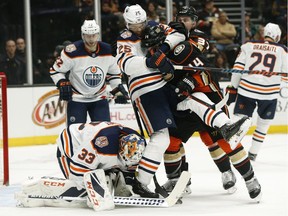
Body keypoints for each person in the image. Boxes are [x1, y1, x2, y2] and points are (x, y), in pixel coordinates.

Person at [141, 6, 261, 201]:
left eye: (187, 19)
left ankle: (249, 179)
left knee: (220, 141)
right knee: (171, 142)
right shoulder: (166, 42)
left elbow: (195, 61)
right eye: (181, 18)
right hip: (183, 101)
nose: (183, 22)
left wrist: (189, 79)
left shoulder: (195, 39)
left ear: (194, 22)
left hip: (207, 95)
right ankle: (177, 180)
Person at [116, 4, 186, 198]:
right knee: (161, 138)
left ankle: (224, 125)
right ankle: (141, 183)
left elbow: (179, 35)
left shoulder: (154, 26)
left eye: (141, 24)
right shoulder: (124, 38)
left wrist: (163, 48)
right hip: (145, 90)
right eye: (134, 25)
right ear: (127, 23)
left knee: (192, 104)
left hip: (166, 84)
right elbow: (125, 64)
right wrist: (149, 61)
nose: (139, 28)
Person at [15, 121, 146, 209]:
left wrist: (128, 184)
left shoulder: (136, 141)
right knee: (77, 187)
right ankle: (37, 186)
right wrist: (92, 191)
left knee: (104, 173)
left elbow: (131, 163)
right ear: (120, 148)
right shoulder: (102, 145)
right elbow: (78, 169)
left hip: (91, 141)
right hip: (72, 142)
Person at [50, 20, 129, 127]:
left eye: (93, 35)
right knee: (75, 134)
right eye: (88, 36)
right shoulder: (71, 51)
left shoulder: (109, 51)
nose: (91, 39)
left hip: (99, 98)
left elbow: (114, 73)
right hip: (76, 99)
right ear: (83, 35)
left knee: (103, 132)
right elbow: (55, 71)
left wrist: (117, 90)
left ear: (98, 35)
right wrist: (62, 82)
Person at [227, 23, 288, 162]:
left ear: (264, 34)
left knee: (240, 122)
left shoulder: (248, 45)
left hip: (247, 90)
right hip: (269, 93)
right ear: (277, 36)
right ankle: (253, 153)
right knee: (263, 124)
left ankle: (232, 151)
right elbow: (286, 76)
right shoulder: (282, 50)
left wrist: (233, 88)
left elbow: (237, 69)